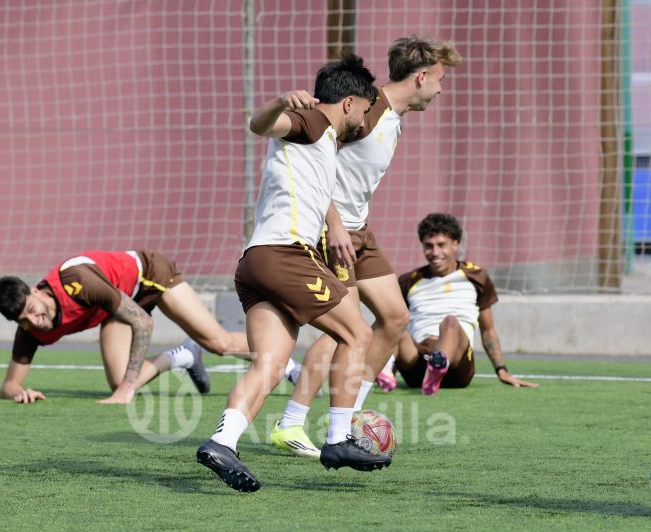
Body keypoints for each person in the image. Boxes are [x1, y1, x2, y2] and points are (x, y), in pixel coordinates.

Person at [195, 52, 385, 493]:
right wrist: (281, 102)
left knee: (272, 363)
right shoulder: (313, 121)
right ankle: (338, 438)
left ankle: (222, 441)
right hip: (285, 255)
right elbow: (260, 126)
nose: (365, 121)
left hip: (255, 263)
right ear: (351, 103)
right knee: (357, 334)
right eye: (366, 109)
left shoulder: (322, 141)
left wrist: (334, 222)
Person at [269, 35, 463, 458]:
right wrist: (333, 224)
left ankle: (352, 416)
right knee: (346, 327)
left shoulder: (393, 115)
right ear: (422, 76)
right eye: (441, 78)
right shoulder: (367, 108)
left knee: (395, 318)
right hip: (332, 232)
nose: (443, 88)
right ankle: (291, 423)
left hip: (361, 232)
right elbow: (317, 161)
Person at [0, 249, 277, 404]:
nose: (33, 321)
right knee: (118, 380)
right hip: (117, 308)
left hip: (150, 276)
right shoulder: (30, 328)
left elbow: (142, 320)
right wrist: (19, 392)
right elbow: (9, 384)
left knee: (219, 343)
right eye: (22, 321)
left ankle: (287, 362)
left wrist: (128, 390)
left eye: (31, 310)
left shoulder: (76, 282)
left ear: (35, 291)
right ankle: (184, 355)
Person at [383, 213, 538, 394]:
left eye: (441, 245)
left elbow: (488, 330)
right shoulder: (409, 281)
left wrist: (501, 369)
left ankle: (438, 366)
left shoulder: (476, 277)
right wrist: (392, 371)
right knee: (393, 321)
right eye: (428, 246)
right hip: (417, 365)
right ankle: (386, 370)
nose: (435, 252)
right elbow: (397, 326)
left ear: (456, 244)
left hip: (457, 368)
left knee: (450, 322)